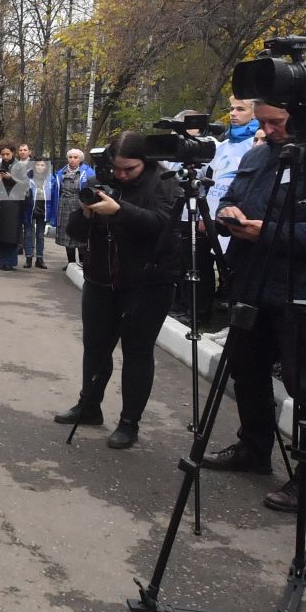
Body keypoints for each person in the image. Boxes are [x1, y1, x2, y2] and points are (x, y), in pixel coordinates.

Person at [199, 99, 306, 513]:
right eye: (264, 122)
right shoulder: (260, 154)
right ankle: (253, 448)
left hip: (304, 289)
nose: (269, 129)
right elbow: (233, 197)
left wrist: (271, 232)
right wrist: (229, 214)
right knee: (246, 370)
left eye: (277, 122)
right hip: (251, 282)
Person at [53, 132, 184, 448]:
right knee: (95, 346)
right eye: (117, 168)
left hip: (147, 282)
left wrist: (119, 209)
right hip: (101, 278)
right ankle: (89, 406)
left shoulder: (163, 181)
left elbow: (163, 226)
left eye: (130, 169)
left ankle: (129, 423)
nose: (122, 174)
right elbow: (74, 231)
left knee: (137, 351)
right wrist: (86, 214)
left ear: (146, 163)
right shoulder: (103, 179)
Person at [0, 143, 29, 270]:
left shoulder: (20, 166)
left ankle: (10, 261)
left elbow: (25, 185)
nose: (5, 156)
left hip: (14, 202)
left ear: (13, 153)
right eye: (3, 154)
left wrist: (11, 178)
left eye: (7, 154)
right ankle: (2, 261)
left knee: (11, 232)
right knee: (0, 232)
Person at [48, 149, 93, 265]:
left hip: (80, 206)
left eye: (75, 157)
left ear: (80, 159)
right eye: (70, 157)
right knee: (67, 234)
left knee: (79, 234)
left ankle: (83, 263)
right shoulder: (60, 173)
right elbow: (54, 191)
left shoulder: (88, 173)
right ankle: (71, 262)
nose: (72, 160)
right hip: (63, 206)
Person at [16, 142, 46, 268]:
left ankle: (39, 258)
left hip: (43, 209)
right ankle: (28, 257)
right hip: (29, 208)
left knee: (40, 235)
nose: (39, 167)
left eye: (42, 165)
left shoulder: (50, 179)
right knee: (28, 233)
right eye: (37, 165)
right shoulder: (28, 178)